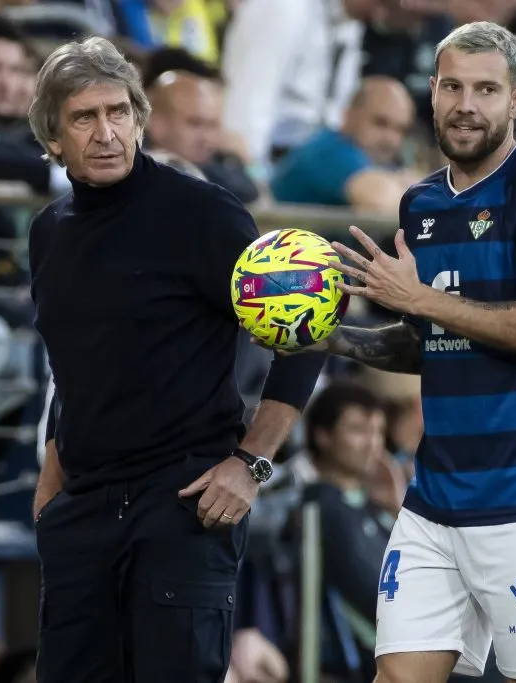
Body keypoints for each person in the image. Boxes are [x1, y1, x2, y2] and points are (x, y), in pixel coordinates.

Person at [304, 21, 516, 683]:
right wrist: (328, 336)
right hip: (436, 497)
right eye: (454, 86)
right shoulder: (421, 203)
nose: (467, 104)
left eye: (487, 89)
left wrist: (423, 299)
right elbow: (429, 341)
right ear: (433, 93)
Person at [26, 36, 326, 683]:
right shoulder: (48, 230)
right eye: (84, 117)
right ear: (52, 136)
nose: (106, 132)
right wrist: (52, 482)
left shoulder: (202, 212)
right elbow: (72, 361)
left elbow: (307, 335)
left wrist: (252, 463)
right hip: (82, 509)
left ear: (139, 117)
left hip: (184, 499)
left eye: (118, 112)